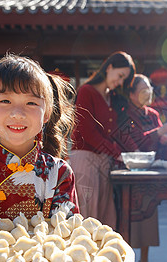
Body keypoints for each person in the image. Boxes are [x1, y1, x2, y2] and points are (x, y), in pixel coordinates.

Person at [0, 54, 79, 239]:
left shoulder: (59, 173)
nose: (18, 114)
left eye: (31, 103)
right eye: (5, 101)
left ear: (47, 113)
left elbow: (67, 237)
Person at [120, 74, 167, 262]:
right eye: (142, 89)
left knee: (148, 217)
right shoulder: (124, 114)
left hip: (149, 173)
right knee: (126, 219)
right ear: (131, 93)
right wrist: (159, 132)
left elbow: (154, 141)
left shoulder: (153, 114)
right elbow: (133, 142)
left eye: (149, 88)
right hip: (128, 174)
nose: (148, 93)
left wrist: (164, 137)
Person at [69, 51, 136, 230]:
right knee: (86, 216)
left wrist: (134, 153)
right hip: (85, 158)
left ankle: (103, 258)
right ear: (109, 67)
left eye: (124, 79)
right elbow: (87, 131)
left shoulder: (110, 97)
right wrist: (117, 153)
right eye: (120, 76)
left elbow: (115, 131)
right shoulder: (86, 91)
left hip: (104, 161)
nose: (120, 82)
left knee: (105, 217)